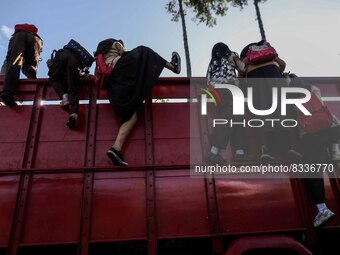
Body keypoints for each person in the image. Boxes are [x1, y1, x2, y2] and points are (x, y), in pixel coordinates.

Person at [95, 38, 181, 166]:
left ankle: (115, 148)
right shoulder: (116, 43)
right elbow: (125, 53)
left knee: (132, 116)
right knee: (144, 51)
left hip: (116, 89)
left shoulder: (100, 56)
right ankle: (173, 66)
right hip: (121, 73)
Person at [285, 73, 336, 228]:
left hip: (310, 137)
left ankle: (322, 209)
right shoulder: (314, 90)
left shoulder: (291, 95)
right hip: (328, 131)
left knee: (312, 172)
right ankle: (336, 151)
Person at [239, 41, 292, 161]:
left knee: (262, 112)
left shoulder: (247, 57)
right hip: (274, 74)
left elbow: (241, 70)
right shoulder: (269, 53)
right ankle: (288, 148)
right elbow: (283, 64)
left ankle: (265, 149)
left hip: (255, 78)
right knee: (281, 110)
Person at [206, 42, 252, 163]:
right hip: (230, 88)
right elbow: (242, 68)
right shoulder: (231, 55)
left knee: (234, 118)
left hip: (216, 91)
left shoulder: (213, 62)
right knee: (231, 119)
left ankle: (240, 152)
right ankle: (213, 152)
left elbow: (208, 79)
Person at [47, 41, 93, 128]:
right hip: (76, 63)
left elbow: (54, 73)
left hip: (62, 55)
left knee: (53, 78)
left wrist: (51, 67)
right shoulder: (79, 60)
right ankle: (73, 115)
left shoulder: (65, 51)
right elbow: (73, 78)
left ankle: (64, 97)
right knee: (73, 89)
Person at [0, 24, 43, 106]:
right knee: (31, 62)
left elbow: (7, 64)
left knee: (14, 62)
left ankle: (8, 92)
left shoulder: (17, 35)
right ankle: (29, 68)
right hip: (35, 38)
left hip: (18, 36)